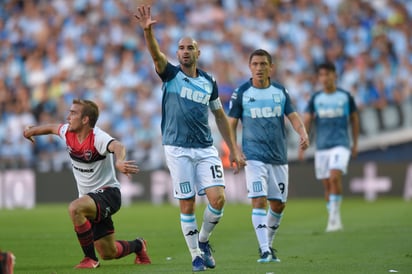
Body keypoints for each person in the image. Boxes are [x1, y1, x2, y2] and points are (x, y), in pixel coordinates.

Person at [133, 5, 245, 272]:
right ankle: (195, 254)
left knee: (218, 200)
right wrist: (148, 32)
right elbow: (155, 54)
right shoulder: (170, 74)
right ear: (177, 54)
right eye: (181, 48)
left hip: (205, 147)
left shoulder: (209, 81)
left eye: (189, 48)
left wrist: (234, 148)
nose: (185, 51)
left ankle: (203, 241)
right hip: (177, 148)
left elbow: (219, 115)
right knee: (187, 202)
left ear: (198, 52)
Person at [23, 99, 151, 269]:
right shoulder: (67, 132)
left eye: (73, 113)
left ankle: (90, 259)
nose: (68, 117)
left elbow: (117, 145)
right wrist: (31, 132)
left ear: (85, 120)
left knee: (74, 208)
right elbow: (52, 128)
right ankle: (138, 245)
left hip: (108, 194)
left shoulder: (98, 137)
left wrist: (119, 161)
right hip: (90, 199)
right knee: (109, 252)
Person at [228, 49, 309, 263]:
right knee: (258, 200)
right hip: (253, 157)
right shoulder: (242, 92)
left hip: (279, 157)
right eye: (255, 64)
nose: (259, 68)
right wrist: (234, 149)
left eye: (263, 64)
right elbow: (231, 124)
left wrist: (303, 132)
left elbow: (293, 116)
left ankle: (268, 245)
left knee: (278, 205)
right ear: (249, 67)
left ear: (270, 67)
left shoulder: (280, 92)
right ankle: (264, 250)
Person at [299, 62, 359, 232]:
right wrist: (303, 143)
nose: (324, 78)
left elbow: (354, 119)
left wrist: (355, 144)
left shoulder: (345, 97)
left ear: (335, 75)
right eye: (322, 75)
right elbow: (308, 120)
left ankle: (334, 218)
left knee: (334, 177)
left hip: (341, 144)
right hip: (322, 147)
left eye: (328, 74)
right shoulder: (316, 98)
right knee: (327, 184)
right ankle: (333, 216)